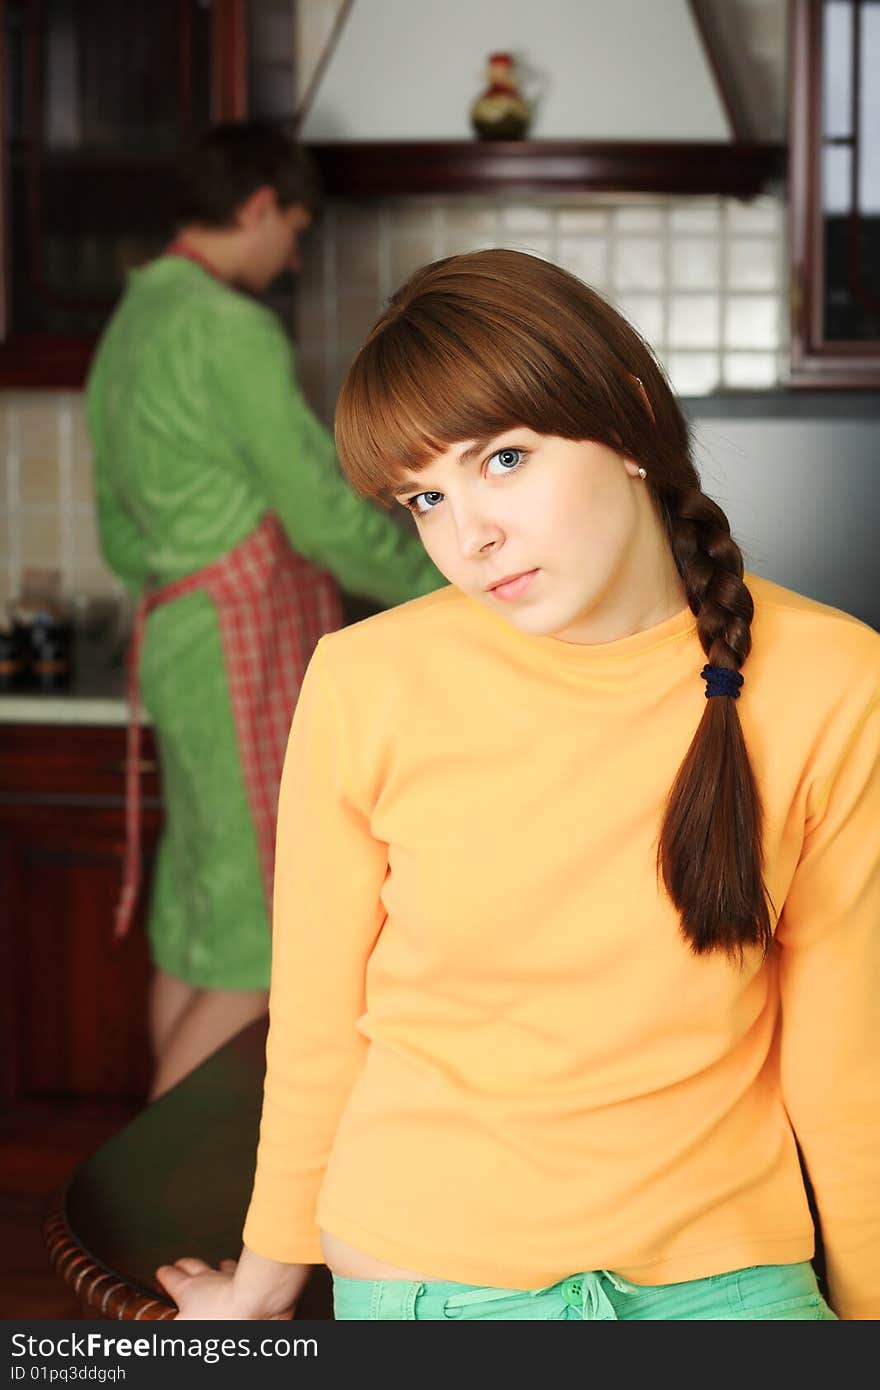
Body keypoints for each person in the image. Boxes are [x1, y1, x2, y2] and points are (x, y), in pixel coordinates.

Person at [156, 249, 879, 1321]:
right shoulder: (364, 681)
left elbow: (843, 1059)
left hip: (723, 1273)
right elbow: (316, 1021)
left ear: (630, 422)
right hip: (428, 1272)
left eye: (503, 459)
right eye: (424, 497)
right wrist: (263, 1285)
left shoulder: (833, 681)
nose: (468, 536)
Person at [85, 122, 442, 1101]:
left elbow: (117, 529)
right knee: (270, 932)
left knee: (205, 923)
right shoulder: (227, 326)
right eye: (295, 227)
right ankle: (171, 1189)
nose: (295, 252)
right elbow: (321, 510)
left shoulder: (134, 318)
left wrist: (185, 563)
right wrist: (445, 579)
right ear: (255, 207)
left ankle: (162, 1180)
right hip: (246, 642)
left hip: (179, 636)